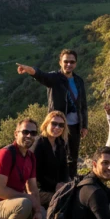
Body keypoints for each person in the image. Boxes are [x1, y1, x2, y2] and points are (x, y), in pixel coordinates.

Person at [17, 49, 88, 177]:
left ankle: (72, 178)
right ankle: (56, 179)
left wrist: (84, 125)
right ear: (60, 62)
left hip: (75, 124)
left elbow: (83, 105)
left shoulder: (79, 81)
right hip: (58, 124)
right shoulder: (55, 78)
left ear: (76, 64)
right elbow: (42, 76)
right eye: (66, 61)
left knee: (73, 154)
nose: (69, 64)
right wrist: (29, 70)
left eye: (72, 62)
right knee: (58, 152)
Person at [34, 111, 70, 206]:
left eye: (61, 125)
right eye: (54, 123)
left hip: (57, 187)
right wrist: (55, 186)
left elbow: (64, 167)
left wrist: (64, 183)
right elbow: (36, 173)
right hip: (39, 189)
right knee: (62, 201)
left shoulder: (60, 143)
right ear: (46, 124)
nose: (57, 127)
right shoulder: (38, 144)